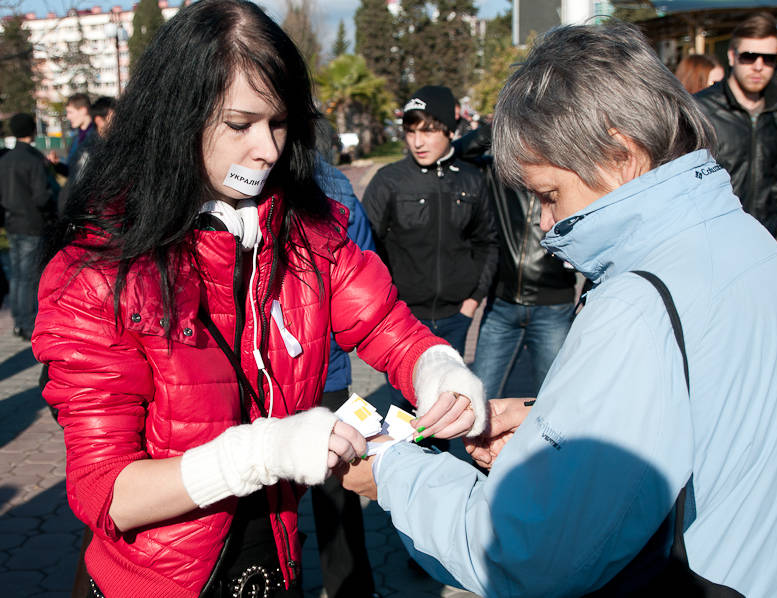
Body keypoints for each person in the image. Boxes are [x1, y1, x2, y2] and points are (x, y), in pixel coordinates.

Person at [341, 21, 777, 598]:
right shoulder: (753, 247)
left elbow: (530, 556)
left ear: (621, 155)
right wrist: (556, 422)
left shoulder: (641, 300)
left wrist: (397, 472)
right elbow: (705, 414)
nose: (546, 225)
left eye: (550, 196)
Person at [31, 2, 487, 596]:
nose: (268, 149)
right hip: (155, 580)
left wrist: (436, 367)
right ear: (178, 118)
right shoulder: (98, 273)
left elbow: (380, 321)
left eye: (279, 124)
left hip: (272, 564)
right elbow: (106, 493)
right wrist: (260, 453)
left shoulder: (300, 232)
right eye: (241, 124)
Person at [362, 85, 498, 404]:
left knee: (444, 409)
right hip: (404, 321)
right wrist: (385, 307)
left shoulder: (471, 179)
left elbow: (488, 243)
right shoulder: (389, 180)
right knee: (406, 413)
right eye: (411, 132)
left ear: (449, 130)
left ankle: (436, 456)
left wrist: (471, 303)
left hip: (456, 318)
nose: (418, 141)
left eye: (429, 130)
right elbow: (366, 250)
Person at [454, 123, 577, 399]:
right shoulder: (500, 173)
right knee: (479, 398)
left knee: (554, 397)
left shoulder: (568, 170)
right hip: (502, 304)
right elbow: (459, 152)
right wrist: (510, 121)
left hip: (553, 306)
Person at [308, 151, 382, 598]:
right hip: (326, 364)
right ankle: (350, 588)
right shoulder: (332, 181)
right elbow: (365, 269)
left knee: (262, 494)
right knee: (337, 480)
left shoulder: (227, 172)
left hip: (257, 372)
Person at [695, 13, 777, 237]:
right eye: (749, 56)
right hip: (712, 237)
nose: (759, 66)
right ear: (732, 56)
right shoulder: (700, 109)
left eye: (769, 59)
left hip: (765, 237)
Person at [0, 113, 56, 340]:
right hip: (32, 223)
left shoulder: (4, 160)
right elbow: (41, 196)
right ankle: (28, 323)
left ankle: (18, 318)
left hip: (11, 221)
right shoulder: (33, 160)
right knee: (30, 276)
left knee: (17, 275)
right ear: (32, 131)